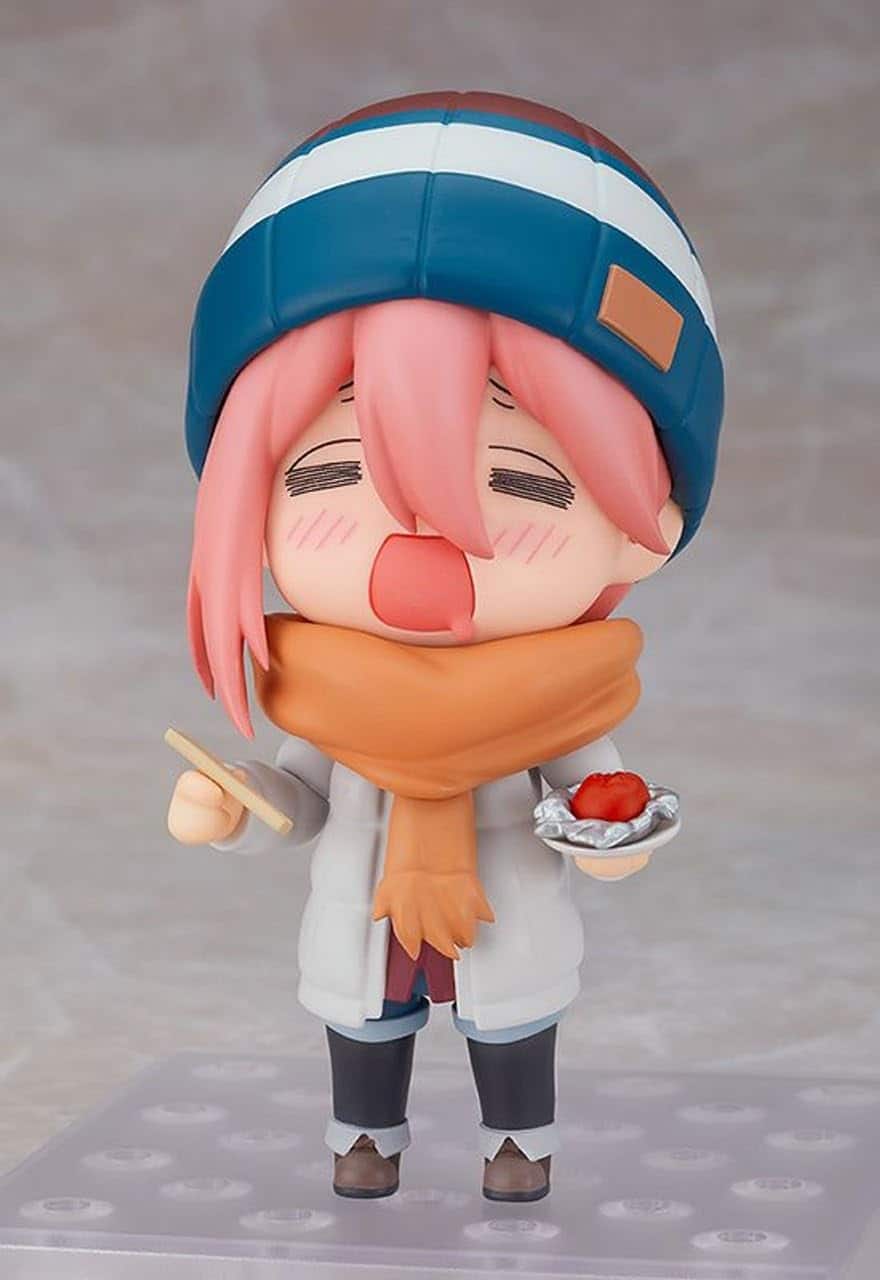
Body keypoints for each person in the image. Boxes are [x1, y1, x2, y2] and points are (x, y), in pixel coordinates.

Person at [167, 91, 724, 1202]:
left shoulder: (563, 703)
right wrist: (238, 806)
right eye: (329, 473)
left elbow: (594, 797)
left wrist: (614, 834)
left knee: (512, 1027)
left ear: (643, 524)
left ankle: (519, 1144)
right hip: (367, 913)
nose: (419, 549)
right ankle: (361, 1135)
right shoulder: (320, 695)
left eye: (524, 483)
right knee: (364, 1025)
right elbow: (303, 798)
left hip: (504, 910)